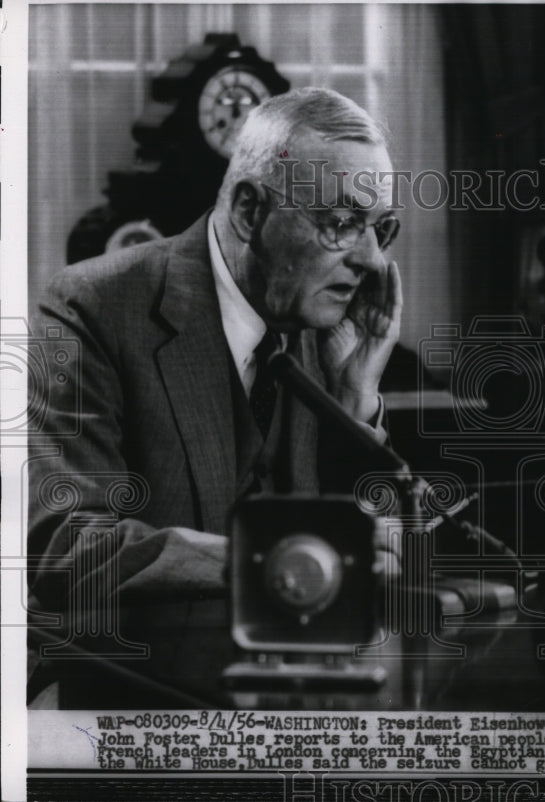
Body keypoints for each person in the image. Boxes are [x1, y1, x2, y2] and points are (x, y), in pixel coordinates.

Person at [27, 87, 402, 704]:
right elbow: (68, 549)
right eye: (340, 223)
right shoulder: (91, 308)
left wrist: (356, 395)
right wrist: (274, 564)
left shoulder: (314, 324)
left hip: (280, 698)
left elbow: (352, 537)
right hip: (126, 699)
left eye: (379, 228)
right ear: (252, 212)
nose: (368, 258)